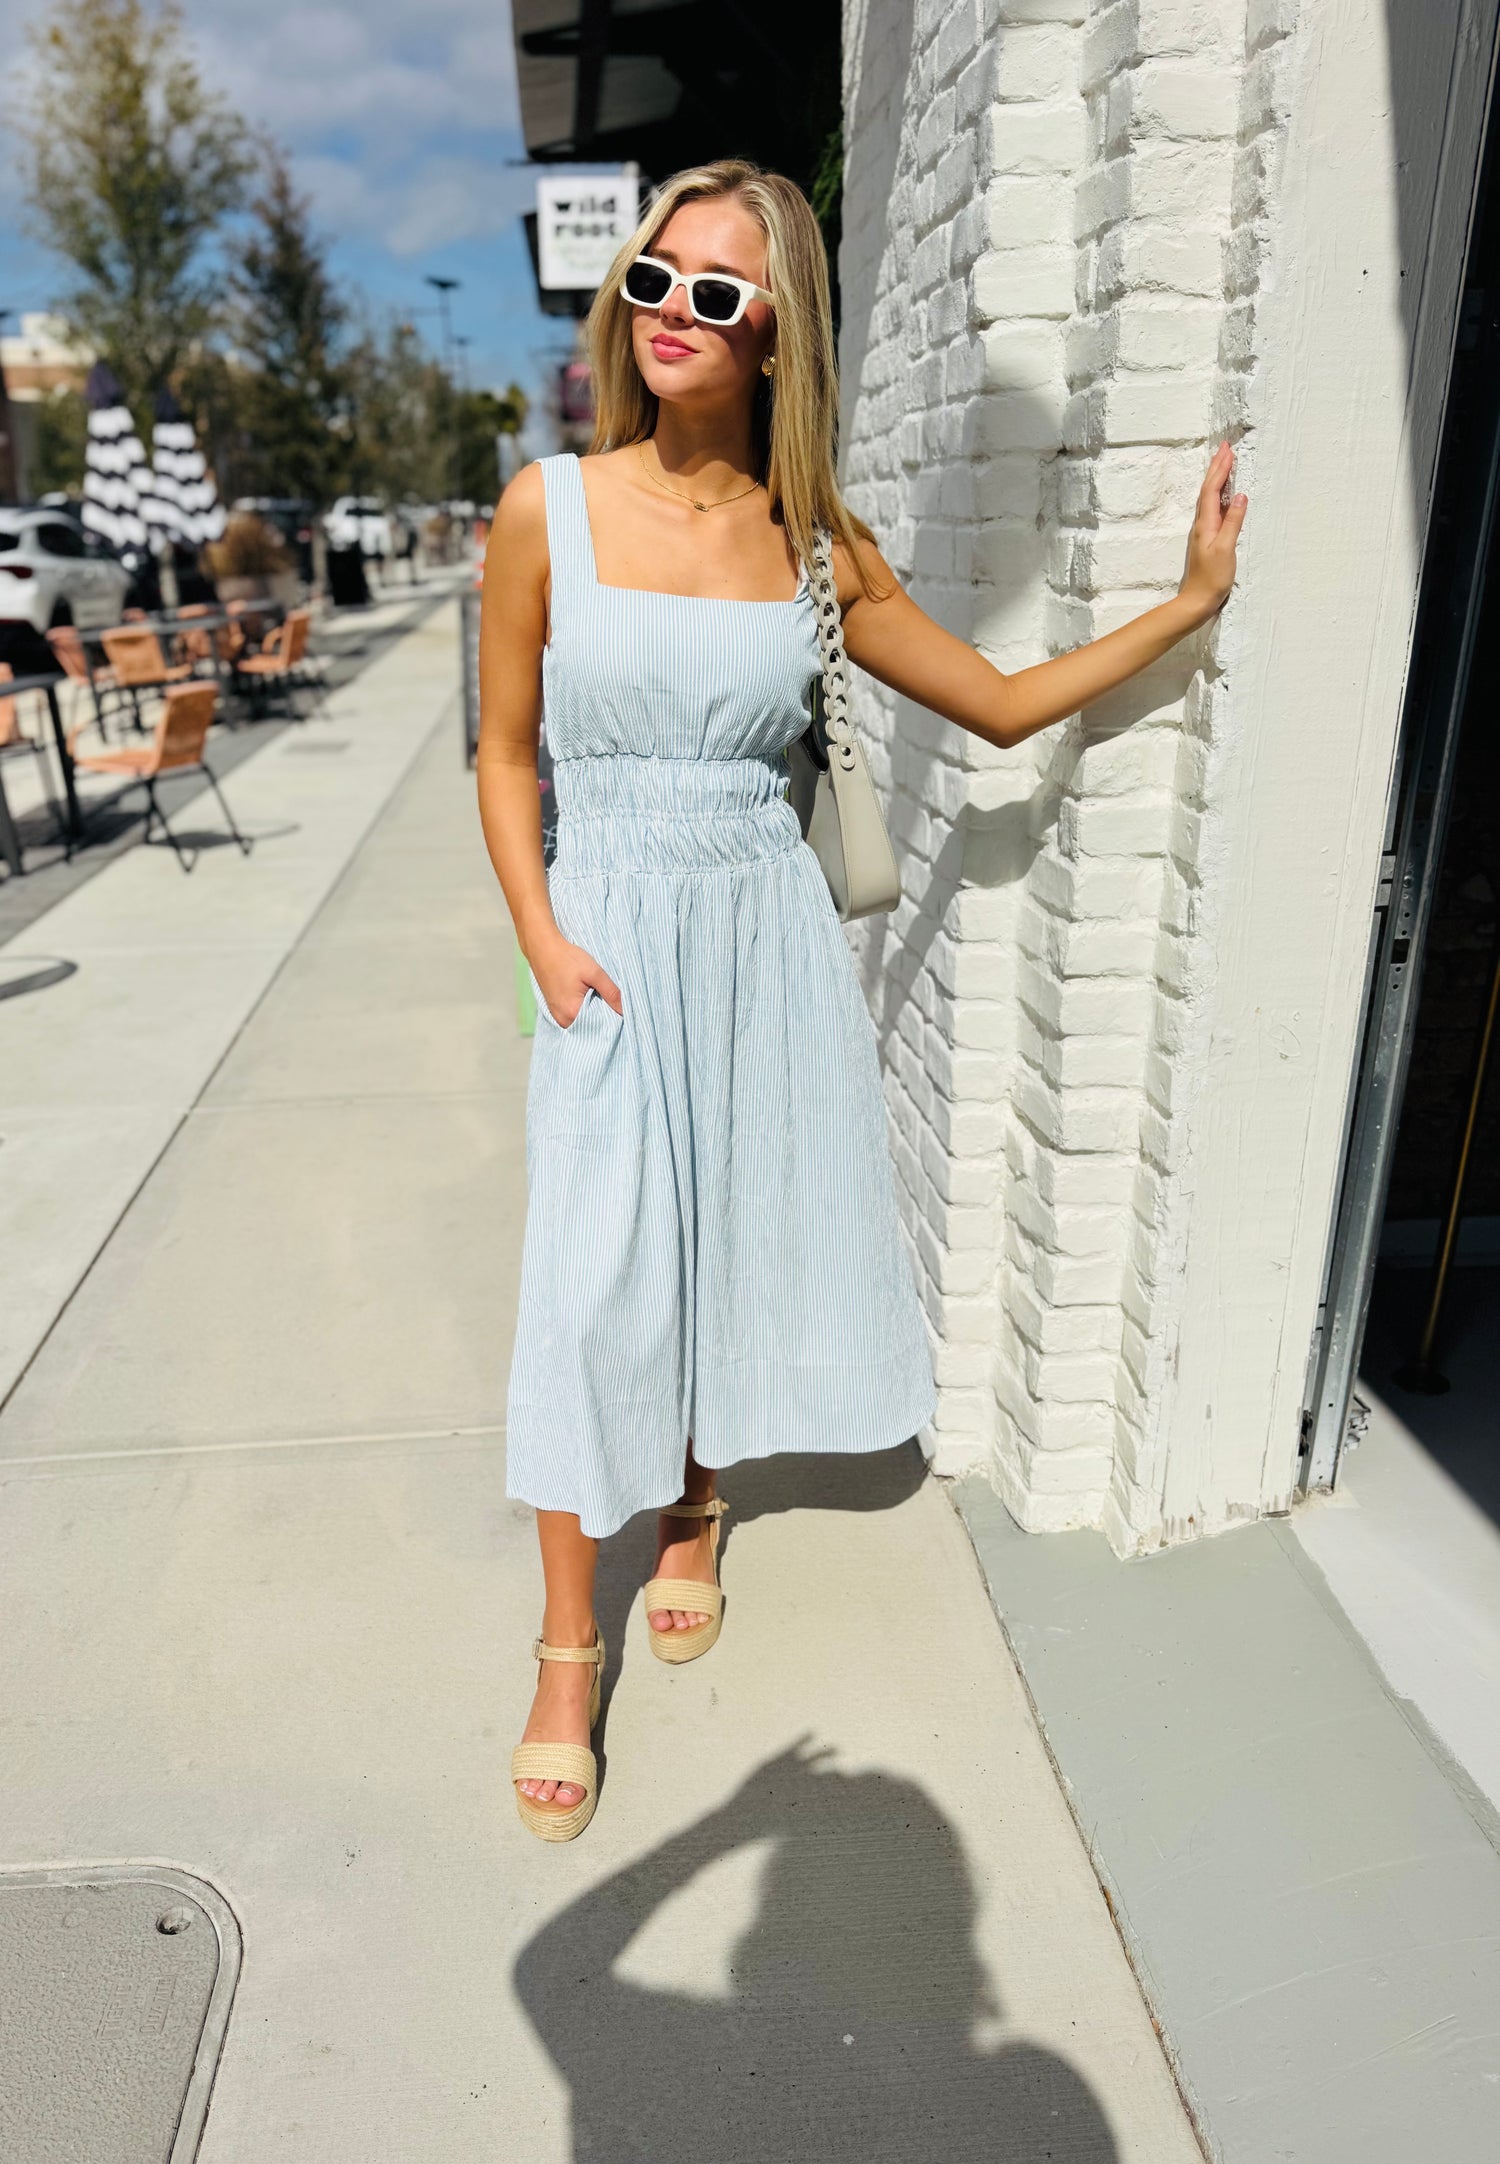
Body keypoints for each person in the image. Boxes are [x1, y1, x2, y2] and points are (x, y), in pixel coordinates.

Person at [476, 159, 1245, 1841]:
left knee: (728, 1236)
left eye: (717, 292)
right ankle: (562, 1645)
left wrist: (1187, 608)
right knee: (588, 1283)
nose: (673, 312)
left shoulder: (812, 541)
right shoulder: (547, 508)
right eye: (654, 278)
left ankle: (693, 1504)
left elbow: (998, 703)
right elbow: (506, 749)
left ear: (777, 335)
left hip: (761, 931)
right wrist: (541, 936)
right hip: (606, 934)